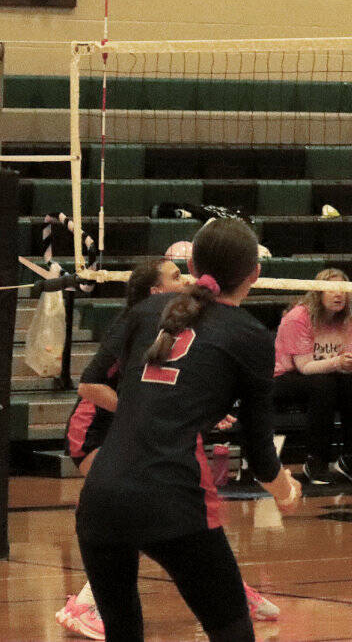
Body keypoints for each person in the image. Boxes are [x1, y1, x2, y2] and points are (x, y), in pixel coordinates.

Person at [74, 218, 301, 642]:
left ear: (192, 265)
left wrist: (149, 407)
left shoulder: (144, 311)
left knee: (123, 633)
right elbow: (258, 449)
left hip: (101, 498)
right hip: (174, 500)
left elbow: (90, 380)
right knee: (233, 633)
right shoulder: (251, 335)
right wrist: (285, 491)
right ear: (255, 273)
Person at [57, 258, 185, 639]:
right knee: (133, 508)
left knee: (160, 506)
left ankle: (226, 585)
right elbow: (89, 386)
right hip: (93, 431)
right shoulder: (130, 325)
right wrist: (136, 411)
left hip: (125, 432)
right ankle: (85, 603)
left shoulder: (171, 329)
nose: (186, 281)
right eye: (176, 276)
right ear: (156, 292)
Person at [272, 268, 352, 484]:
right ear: (318, 293)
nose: (339, 294)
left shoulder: (349, 321)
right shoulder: (298, 317)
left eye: (343, 290)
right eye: (331, 289)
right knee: (323, 385)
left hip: (326, 375)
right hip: (286, 375)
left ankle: (351, 457)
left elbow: (345, 361)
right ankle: (316, 459)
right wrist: (338, 363)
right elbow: (305, 367)